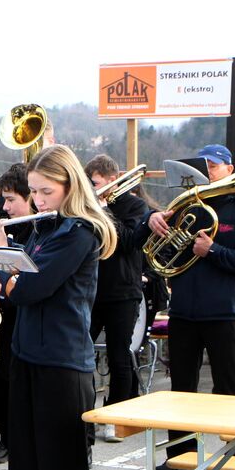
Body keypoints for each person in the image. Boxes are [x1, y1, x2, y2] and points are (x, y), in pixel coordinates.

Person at [0, 144, 117, 470]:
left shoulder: (80, 232)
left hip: (63, 365)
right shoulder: (45, 229)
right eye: (34, 191)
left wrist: (1, 254)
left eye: (46, 191)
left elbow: (32, 288)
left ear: (70, 185)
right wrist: (11, 273)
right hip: (28, 357)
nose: (38, 200)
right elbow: (19, 287)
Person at [139, 144, 235, 470]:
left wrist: (213, 251)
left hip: (224, 314)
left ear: (229, 170)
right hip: (183, 312)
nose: (207, 171)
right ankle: (180, 457)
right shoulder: (186, 206)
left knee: (232, 390)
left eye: (213, 166)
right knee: (181, 389)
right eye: (203, 166)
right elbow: (158, 253)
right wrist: (152, 222)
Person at [84, 155, 147, 443]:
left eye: (96, 183)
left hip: (123, 292)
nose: (93, 189)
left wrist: (104, 210)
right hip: (93, 289)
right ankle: (87, 414)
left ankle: (117, 417)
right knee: (82, 351)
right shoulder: (89, 206)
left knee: (119, 355)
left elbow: (130, 241)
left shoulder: (135, 206)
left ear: (113, 179)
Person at [0, 163, 35, 470]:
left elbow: (29, 282)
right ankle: (8, 438)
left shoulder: (40, 230)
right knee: (4, 380)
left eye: (11, 200)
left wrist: (1, 252)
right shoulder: (12, 226)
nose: (5, 207)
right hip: (9, 319)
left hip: (32, 323)